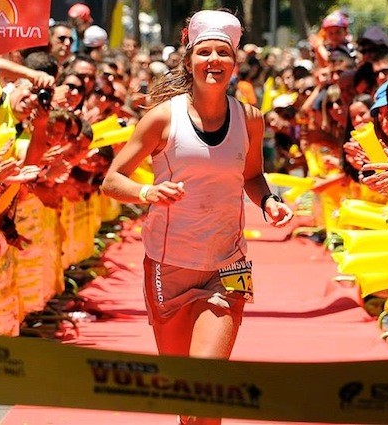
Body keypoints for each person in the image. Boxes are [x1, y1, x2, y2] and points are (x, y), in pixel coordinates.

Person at [101, 10, 293, 425]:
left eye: (222, 53)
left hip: (230, 264)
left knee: (210, 390)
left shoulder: (251, 119)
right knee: (185, 393)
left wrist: (269, 201)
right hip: (169, 263)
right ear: (189, 60)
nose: (213, 60)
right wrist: (147, 192)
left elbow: (253, 175)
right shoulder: (162, 118)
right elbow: (112, 180)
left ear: (235, 64)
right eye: (204, 52)